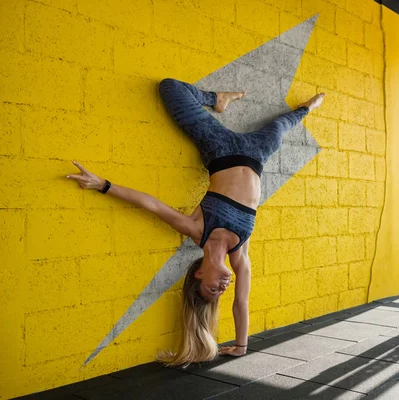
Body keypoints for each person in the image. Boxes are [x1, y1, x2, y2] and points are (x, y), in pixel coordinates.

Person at [66, 77, 324, 366]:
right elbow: (242, 302)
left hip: (220, 149)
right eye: (220, 293)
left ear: (200, 275)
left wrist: (103, 185)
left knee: (170, 88)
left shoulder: (197, 229)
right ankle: (305, 109)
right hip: (258, 154)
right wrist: (241, 346)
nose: (223, 288)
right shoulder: (240, 254)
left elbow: (151, 204)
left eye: (213, 289)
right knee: (280, 127)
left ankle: (216, 98)